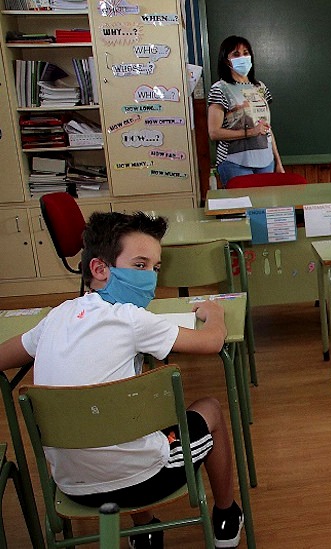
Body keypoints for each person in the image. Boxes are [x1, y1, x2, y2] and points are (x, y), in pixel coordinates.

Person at [0, 212, 244, 549]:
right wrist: (215, 314)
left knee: (113, 420)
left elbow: (3, 357)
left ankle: (144, 531)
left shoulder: (56, 317)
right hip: (144, 481)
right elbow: (213, 343)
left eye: (156, 268)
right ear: (100, 269)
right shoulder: (133, 320)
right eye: (140, 266)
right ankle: (227, 514)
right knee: (211, 409)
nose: (151, 278)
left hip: (72, 486)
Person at [207, 35, 284, 186]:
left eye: (246, 52)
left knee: (264, 207)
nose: (242, 57)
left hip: (266, 161)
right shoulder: (220, 89)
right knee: (242, 208)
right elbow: (214, 133)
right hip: (234, 162)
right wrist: (250, 132)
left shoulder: (260, 87)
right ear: (225, 59)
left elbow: (267, 128)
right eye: (236, 54)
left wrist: (278, 161)